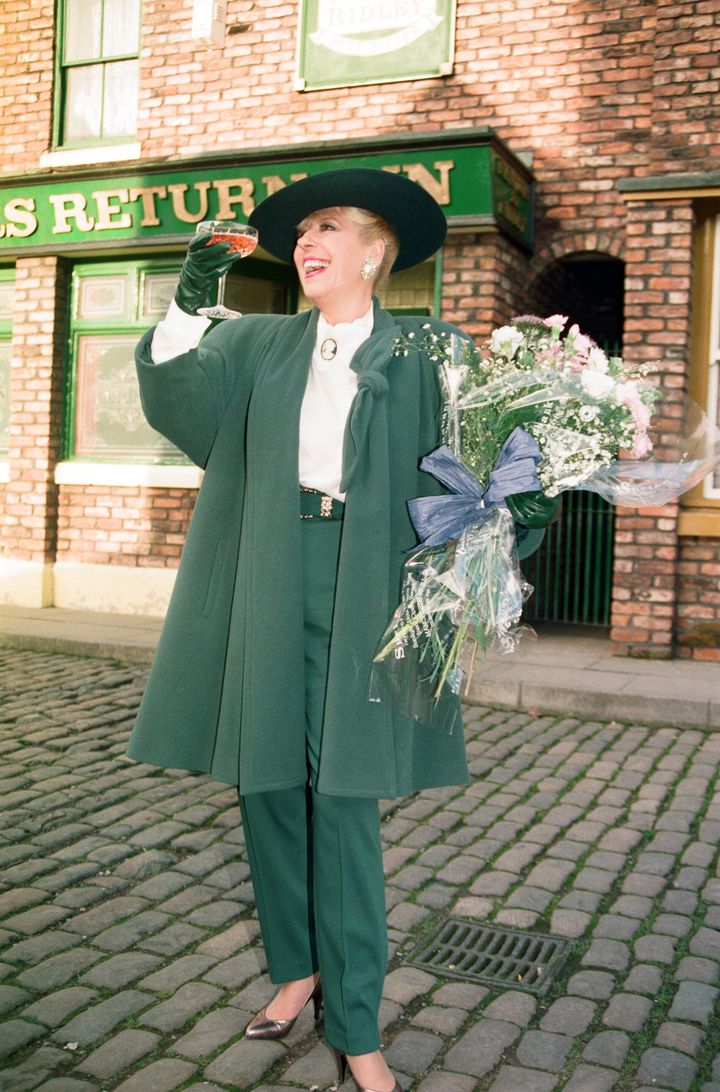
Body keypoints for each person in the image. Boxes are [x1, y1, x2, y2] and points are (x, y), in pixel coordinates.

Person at [126, 168, 556, 1091]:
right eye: (303, 233)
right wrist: (194, 298)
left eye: (330, 228)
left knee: (344, 804)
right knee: (268, 787)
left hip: (369, 585)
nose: (309, 244)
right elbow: (175, 396)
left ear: (375, 249)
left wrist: (529, 496)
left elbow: (499, 466)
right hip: (268, 573)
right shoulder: (260, 346)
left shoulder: (431, 350)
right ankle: (295, 973)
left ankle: (356, 1024)